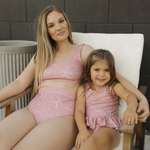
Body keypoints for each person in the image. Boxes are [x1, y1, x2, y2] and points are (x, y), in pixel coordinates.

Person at [0, 5, 149, 150]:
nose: (58, 27)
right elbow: (19, 83)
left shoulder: (83, 51)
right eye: (51, 25)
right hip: (32, 111)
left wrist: (142, 99)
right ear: (46, 31)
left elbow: (117, 76)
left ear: (67, 22)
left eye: (61, 20)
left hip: (64, 118)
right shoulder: (42, 55)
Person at [75, 49, 138, 150]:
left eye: (106, 70)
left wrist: (131, 108)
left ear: (112, 71)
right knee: (81, 145)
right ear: (89, 71)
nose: (102, 74)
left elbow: (129, 96)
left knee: (90, 143)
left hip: (109, 129)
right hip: (89, 128)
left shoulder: (113, 87)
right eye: (97, 70)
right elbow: (79, 110)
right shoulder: (83, 89)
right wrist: (82, 129)